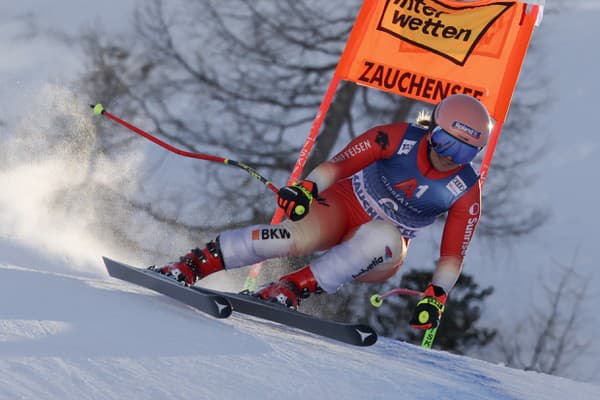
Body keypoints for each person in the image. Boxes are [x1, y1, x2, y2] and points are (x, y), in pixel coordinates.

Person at [154, 93, 492, 331]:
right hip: (346, 204)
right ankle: (193, 263)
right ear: (432, 130)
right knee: (289, 237)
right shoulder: (399, 138)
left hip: (384, 248)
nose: (450, 157)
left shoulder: (465, 189)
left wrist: (436, 295)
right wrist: (307, 188)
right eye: (447, 143)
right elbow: (341, 163)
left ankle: (291, 288)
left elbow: (452, 255)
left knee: (381, 236)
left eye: (464, 152)